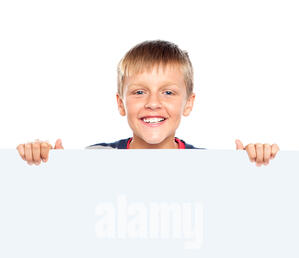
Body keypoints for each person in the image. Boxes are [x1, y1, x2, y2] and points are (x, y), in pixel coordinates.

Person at [16, 39, 280, 166]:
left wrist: (254, 166)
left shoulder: (207, 167)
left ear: (188, 104)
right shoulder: (95, 160)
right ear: (121, 104)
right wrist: (46, 165)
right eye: (140, 92)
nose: (153, 103)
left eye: (168, 93)